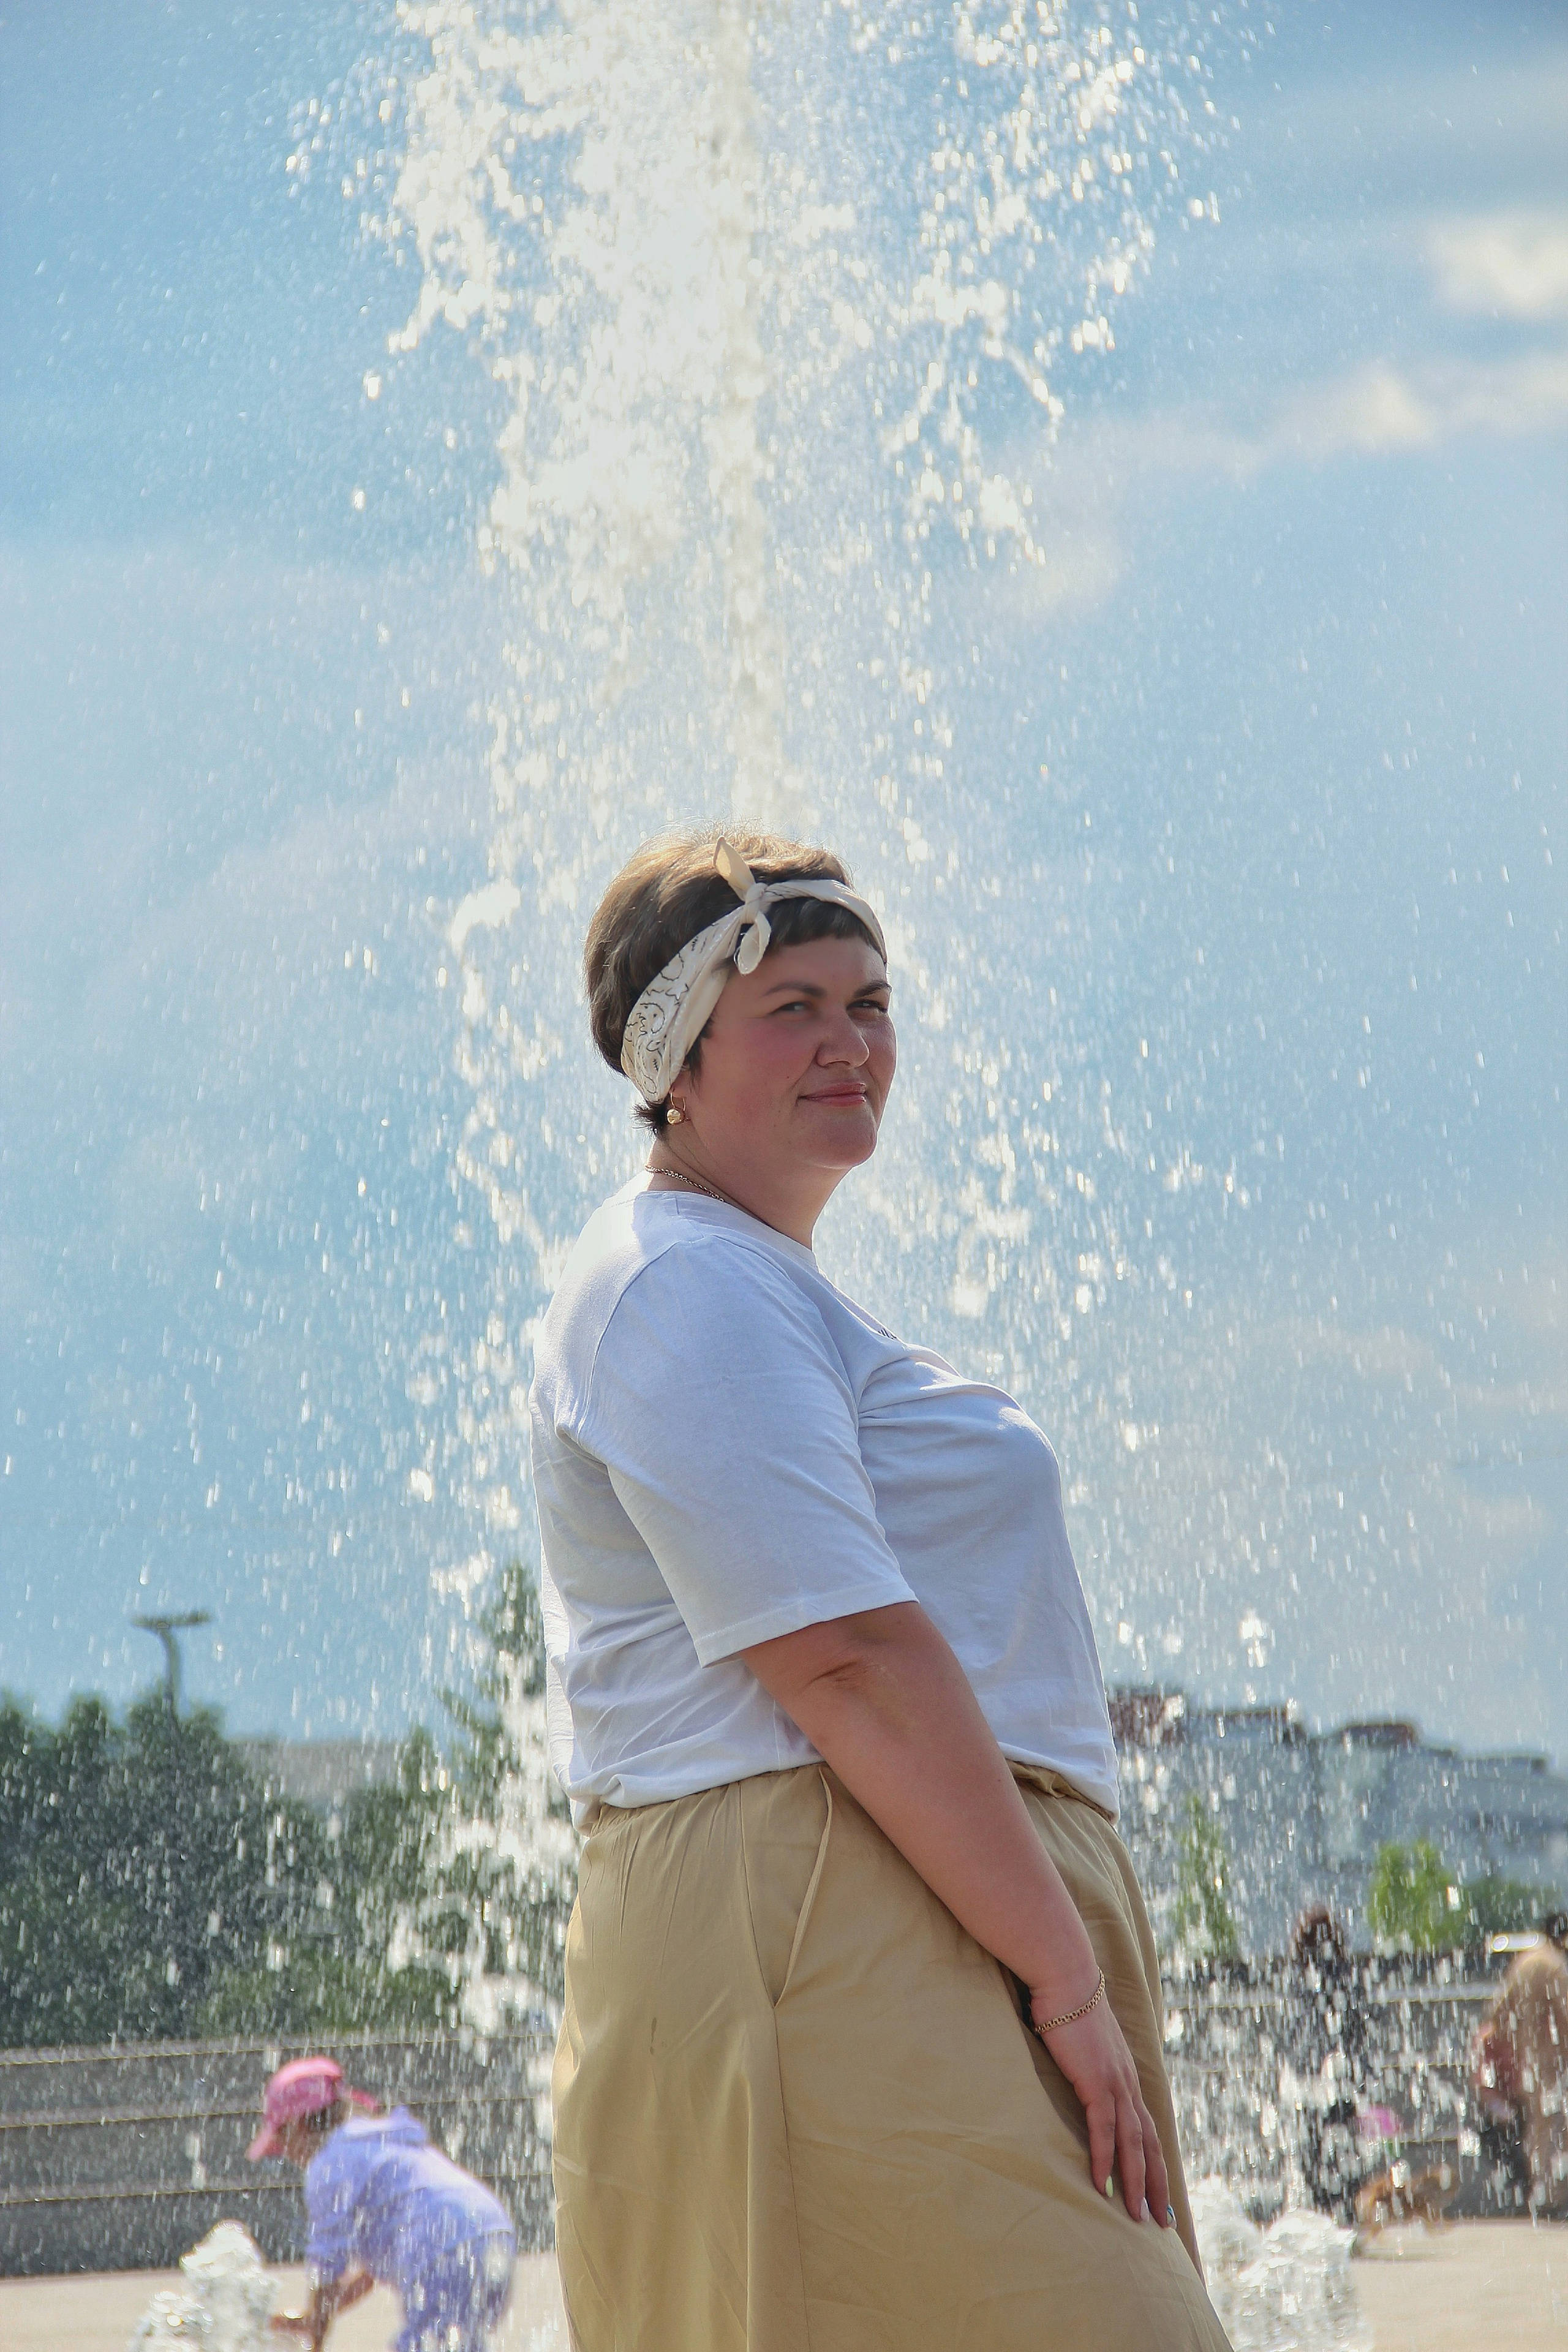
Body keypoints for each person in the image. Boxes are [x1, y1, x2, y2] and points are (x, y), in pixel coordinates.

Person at [530, 829, 1231, 2350]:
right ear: (673, 1056)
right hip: (822, 1910)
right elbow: (844, 1657)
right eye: (792, 1005)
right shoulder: (675, 1279)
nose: (850, 1042)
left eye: (870, 1000)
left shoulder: (744, 1277)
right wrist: (1063, 1985)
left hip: (891, 1902)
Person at [246, 2056, 517, 2350]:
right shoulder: (379, 2142)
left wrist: (316, 2342)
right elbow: (366, 2278)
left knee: (428, 2343)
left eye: (282, 2139)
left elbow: (327, 2269)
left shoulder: (328, 2166)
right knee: (457, 2343)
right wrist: (315, 2317)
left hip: (441, 2246)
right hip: (493, 2234)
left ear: (298, 2125)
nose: (285, 2155)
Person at [1471, 1913, 1568, 2217]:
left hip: (1530, 2061)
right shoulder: (1555, 1966)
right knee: (1556, 2129)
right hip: (1556, 2059)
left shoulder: (1524, 1964)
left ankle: (1541, 2194)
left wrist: (1518, 2040)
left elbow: (1496, 2013)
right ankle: (1554, 2197)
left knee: (1540, 2129)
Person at [1282, 1904, 1373, 2222]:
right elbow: (1358, 2029)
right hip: (1338, 2082)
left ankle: (1318, 2213)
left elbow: (1292, 2035)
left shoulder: (1297, 1977)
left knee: (1310, 2152)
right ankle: (1346, 2213)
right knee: (1345, 2149)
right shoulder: (1347, 1973)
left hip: (1310, 2084)